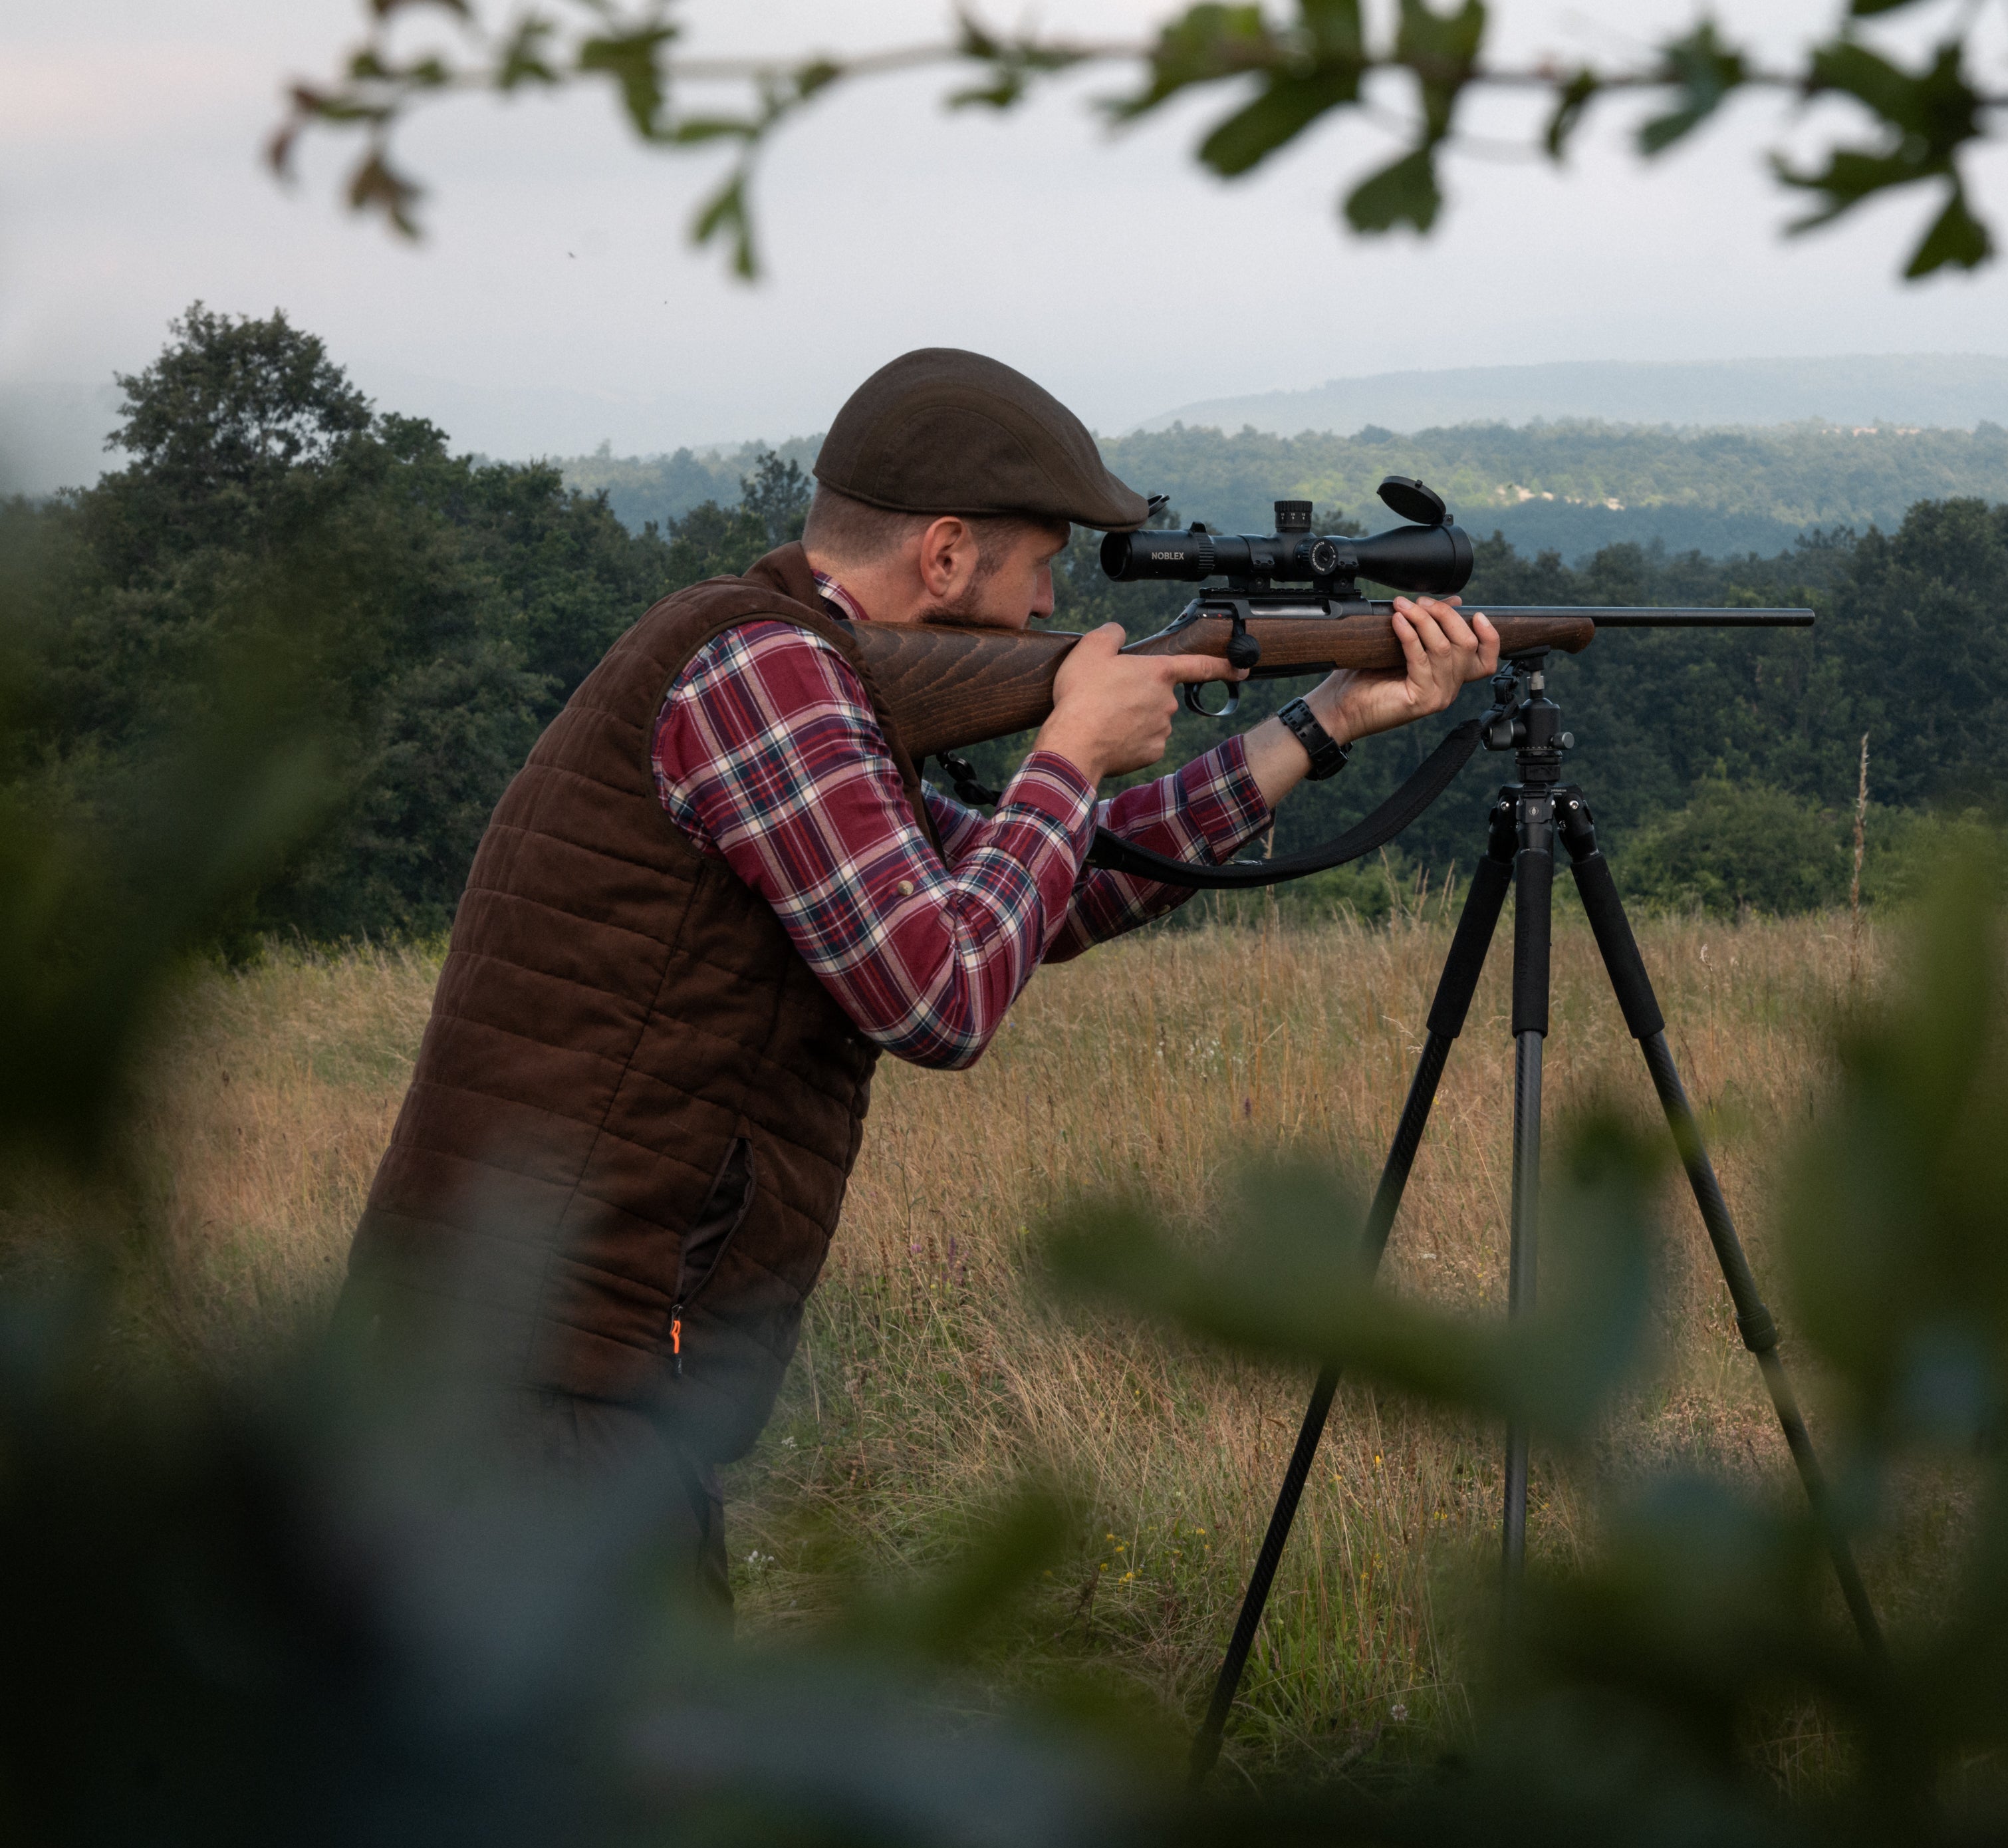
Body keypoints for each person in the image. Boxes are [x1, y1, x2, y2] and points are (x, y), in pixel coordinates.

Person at [337, 349, 1499, 1597]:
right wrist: (1066, 751)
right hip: (526, 1405)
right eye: (1041, 568)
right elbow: (940, 995)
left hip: (546, 1383)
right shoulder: (765, 674)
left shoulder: (799, 681)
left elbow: (1035, 893)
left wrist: (1319, 724)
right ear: (944, 557)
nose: (1052, 609)